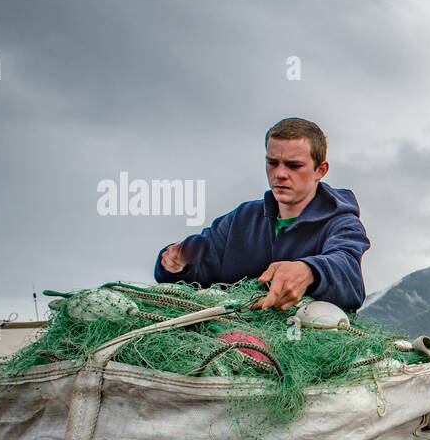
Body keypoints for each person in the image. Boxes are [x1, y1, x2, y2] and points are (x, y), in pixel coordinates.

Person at [155, 118, 370, 311]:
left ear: (320, 170)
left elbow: (348, 274)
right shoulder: (241, 218)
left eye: (294, 166)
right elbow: (200, 261)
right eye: (272, 163)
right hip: (232, 343)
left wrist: (310, 270)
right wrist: (177, 263)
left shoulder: (343, 223)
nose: (280, 174)